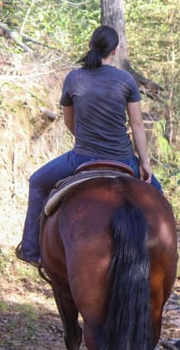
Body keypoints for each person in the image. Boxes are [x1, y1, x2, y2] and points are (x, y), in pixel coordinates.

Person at [16, 25, 162, 266]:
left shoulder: (74, 78)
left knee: (38, 182)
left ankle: (31, 250)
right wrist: (144, 163)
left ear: (90, 46)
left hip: (82, 158)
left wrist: (84, 139)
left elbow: (69, 122)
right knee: (158, 198)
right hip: (123, 159)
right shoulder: (125, 79)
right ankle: (161, 259)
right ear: (114, 51)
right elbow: (136, 124)